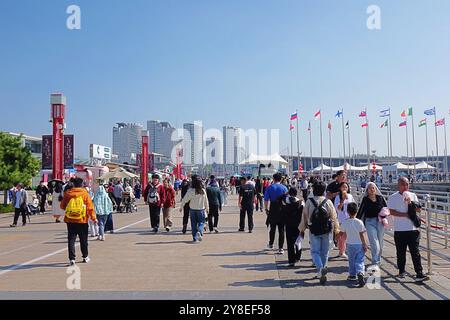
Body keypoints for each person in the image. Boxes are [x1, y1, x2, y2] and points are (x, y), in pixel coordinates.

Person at [388, 177, 429, 282]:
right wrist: (405, 214)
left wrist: (410, 203)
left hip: (413, 229)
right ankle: (401, 271)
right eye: (403, 184)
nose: (406, 186)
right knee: (400, 252)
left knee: (415, 252)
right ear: (398, 185)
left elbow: (419, 209)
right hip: (400, 229)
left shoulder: (413, 195)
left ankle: (419, 273)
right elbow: (391, 212)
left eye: (407, 184)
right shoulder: (393, 197)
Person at [299, 182, 339, 285]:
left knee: (315, 252)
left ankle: (320, 269)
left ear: (313, 190)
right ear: (324, 190)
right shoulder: (328, 201)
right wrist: (336, 230)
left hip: (314, 230)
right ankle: (322, 270)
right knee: (325, 252)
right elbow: (334, 217)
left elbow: (304, 216)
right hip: (326, 230)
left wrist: (302, 229)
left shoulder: (309, 201)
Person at [60, 177, 97, 265]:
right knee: (83, 239)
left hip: (70, 220)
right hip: (82, 220)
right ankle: (85, 256)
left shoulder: (68, 193)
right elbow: (90, 207)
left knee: (71, 240)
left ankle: (72, 259)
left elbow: (62, 206)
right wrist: (94, 218)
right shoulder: (85, 194)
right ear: (81, 185)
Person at [356, 182, 387, 267]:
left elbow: (386, 209)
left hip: (380, 222)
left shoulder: (380, 198)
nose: (372, 189)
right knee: (374, 242)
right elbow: (361, 211)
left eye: (373, 188)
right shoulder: (365, 199)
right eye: (369, 188)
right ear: (367, 190)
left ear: (376, 189)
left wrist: (386, 217)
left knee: (380, 241)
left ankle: (378, 258)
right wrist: (356, 222)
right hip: (369, 222)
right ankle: (375, 261)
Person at [340, 202, 368, 287]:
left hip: (350, 244)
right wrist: (365, 244)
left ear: (348, 212)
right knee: (360, 260)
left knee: (351, 260)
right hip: (359, 244)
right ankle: (360, 272)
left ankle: (352, 275)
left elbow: (342, 233)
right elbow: (362, 234)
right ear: (356, 211)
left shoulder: (345, 222)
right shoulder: (359, 222)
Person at [264, 173, 288, 254]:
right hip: (282, 209)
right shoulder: (284, 188)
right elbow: (287, 200)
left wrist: (266, 209)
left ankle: (271, 244)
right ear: (281, 179)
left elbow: (266, 199)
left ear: (273, 179)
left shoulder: (269, 187)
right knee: (281, 229)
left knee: (272, 228)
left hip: (273, 208)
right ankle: (281, 248)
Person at [180, 178, 209, 243]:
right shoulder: (203, 191)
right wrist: (207, 209)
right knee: (201, 222)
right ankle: (200, 231)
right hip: (201, 209)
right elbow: (206, 201)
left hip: (192, 210)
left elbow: (185, 199)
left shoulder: (190, 190)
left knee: (193, 224)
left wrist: (181, 207)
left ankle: (195, 238)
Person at [281, 187, 304, 267]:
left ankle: (291, 260)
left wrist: (285, 194)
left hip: (288, 224)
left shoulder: (284, 201)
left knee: (290, 243)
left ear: (289, 193)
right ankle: (298, 257)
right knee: (298, 241)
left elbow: (279, 200)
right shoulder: (301, 203)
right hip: (298, 224)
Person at [334, 182, 355, 258]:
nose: (345, 188)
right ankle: (341, 251)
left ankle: (342, 251)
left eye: (346, 187)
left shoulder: (350, 196)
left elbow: (353, 206)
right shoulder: (337, 197)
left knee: (347, 236)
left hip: (349, 218)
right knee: (341, 236)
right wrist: (342, 200)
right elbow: (338, 208)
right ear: (340, 188)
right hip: (341, 219)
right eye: (343, 187)